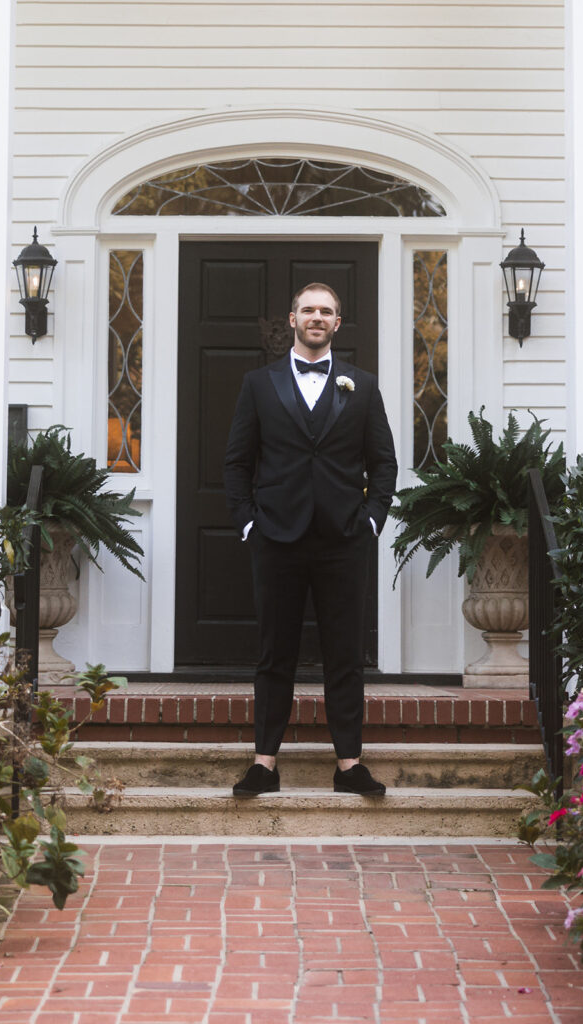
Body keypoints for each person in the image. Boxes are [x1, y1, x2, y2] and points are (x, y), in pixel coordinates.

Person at [223, 283, 397, 796]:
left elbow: (383, 462)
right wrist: (248, 523)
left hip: (344, 539)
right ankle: (264, 764)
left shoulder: (363, 386)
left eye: (326, 311)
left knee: (345, 655)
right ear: (292, 318)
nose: (316, 317)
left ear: (337, 323)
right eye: (308, 310)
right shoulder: (259, 384)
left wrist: (372, 520)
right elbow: (237, 462)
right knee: (274, 654)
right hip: (276, 537)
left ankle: (349, 766)